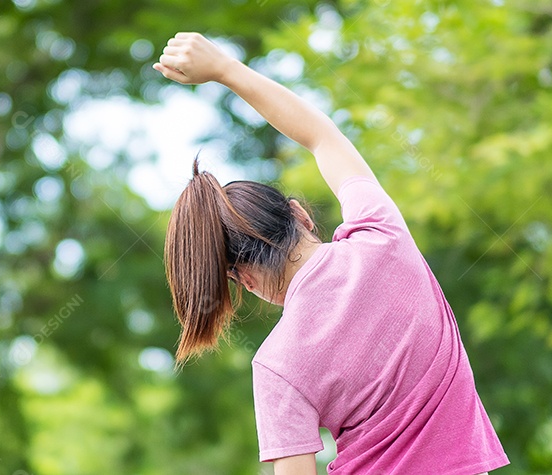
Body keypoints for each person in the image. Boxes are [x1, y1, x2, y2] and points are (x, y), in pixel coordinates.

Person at [154, 32, 510, 475]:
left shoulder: (278, 363)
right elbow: (321, 137)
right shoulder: (383, 236)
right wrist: (226, 70)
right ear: (299, 213)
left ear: (243, 279)